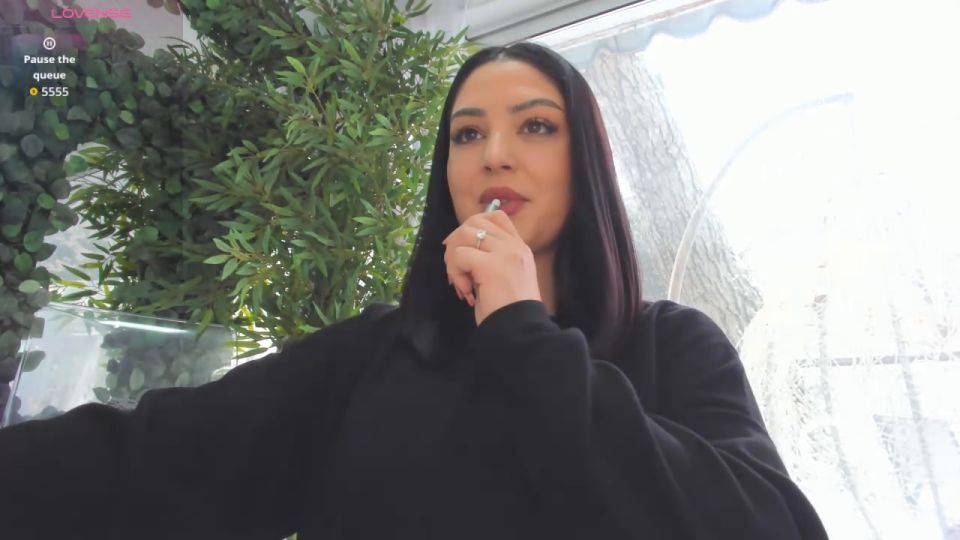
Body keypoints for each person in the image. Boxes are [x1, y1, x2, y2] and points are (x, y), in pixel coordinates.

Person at [0, 42, 829, 539]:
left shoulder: (674, 347)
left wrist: (522, 330)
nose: (494, 154)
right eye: (467, 134)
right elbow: (156, 460)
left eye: (535, 126)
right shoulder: (376, 355)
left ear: (586, 165)